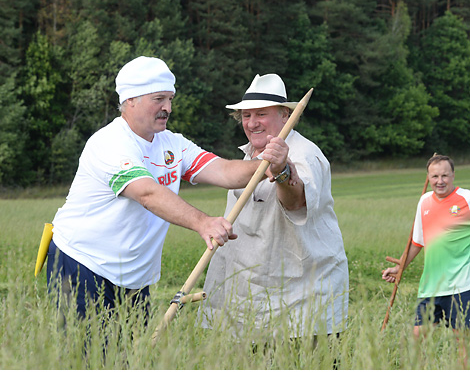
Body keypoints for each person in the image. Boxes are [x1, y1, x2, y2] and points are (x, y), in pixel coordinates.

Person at [46, 55, 286, 321]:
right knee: (87, 356)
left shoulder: (172, 143)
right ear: (130, 100)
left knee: (130, 356)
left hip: (134, 276)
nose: (168, 108)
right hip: (83, 262)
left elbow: (225, 171)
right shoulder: (109, 143)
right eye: (158, 99)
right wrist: (203, 222)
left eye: (170, 99)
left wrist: (268, 165)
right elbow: (147, 193)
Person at [203, 73, 348, 338]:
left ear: (285, 115)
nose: (252, 123)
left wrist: (282, 171)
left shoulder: (305, 154)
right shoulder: (248, 154)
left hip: (302, 298)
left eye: (261, 114)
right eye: (246, 116)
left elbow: (296, 202)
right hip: (249, 296)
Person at [382, 153, 470, 335]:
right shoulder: (424, 201)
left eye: (444, 175)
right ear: (428, 177)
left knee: (463, 344)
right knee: (415, 340)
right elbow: (417, 242)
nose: (440, 181)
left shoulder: (466, 198)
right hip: (431, 286)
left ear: (453, 175)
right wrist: (400, 267)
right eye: (435, 176)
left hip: (462, 286)